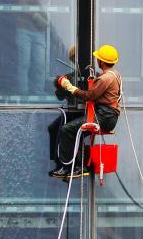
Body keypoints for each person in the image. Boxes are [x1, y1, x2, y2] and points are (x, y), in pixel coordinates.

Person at [50, 44, 122, 179]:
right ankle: (79, 165)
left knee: (67, 130)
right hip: (107, 116)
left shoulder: (105, 78)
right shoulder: (114, 74)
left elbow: (89, 96)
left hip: (104, 116)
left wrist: (70, 87)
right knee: (76, 132)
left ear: (102, 61)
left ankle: (69, 167)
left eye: (98, 59)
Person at [47, 45, 83, 173]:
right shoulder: (71, 76)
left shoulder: (93, 75)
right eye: (73, 60)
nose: (75, 63)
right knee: (52, 128)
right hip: (72, 111)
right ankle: (58, 161)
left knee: (67, 131)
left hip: (81, 112)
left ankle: (69, 164)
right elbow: (60, 96)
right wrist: (59, 84)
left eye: (75, 60)